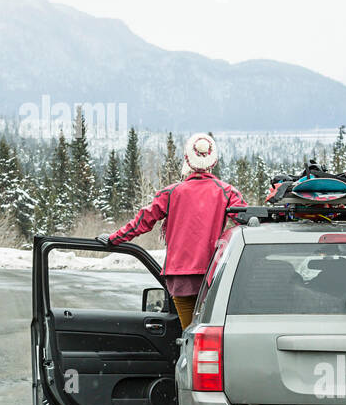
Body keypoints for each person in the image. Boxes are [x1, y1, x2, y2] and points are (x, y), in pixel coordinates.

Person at [98, 133, 246, 327]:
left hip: (180, 275)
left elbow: (142, 222)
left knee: (188, 331)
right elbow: (247, 221)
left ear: (187, 159)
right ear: (213, 161)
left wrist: (113, 239)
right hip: (213, 275)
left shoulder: (171, 193)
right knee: (210, 329)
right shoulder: (226, 192)